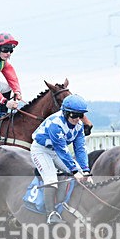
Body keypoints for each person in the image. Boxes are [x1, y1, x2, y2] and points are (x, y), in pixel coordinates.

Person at [31, 94, 91, 224]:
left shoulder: (79, 126)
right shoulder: (56, 124)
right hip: (41, 150)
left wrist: (85, 169)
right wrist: (74, 171)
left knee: (84, 175)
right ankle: (51, 214)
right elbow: (62, 150)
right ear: (65, 112)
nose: (77, 119)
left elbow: (80, 149)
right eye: (73, 115)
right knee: (51, 178)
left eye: (80, 115)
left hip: (56, 152)